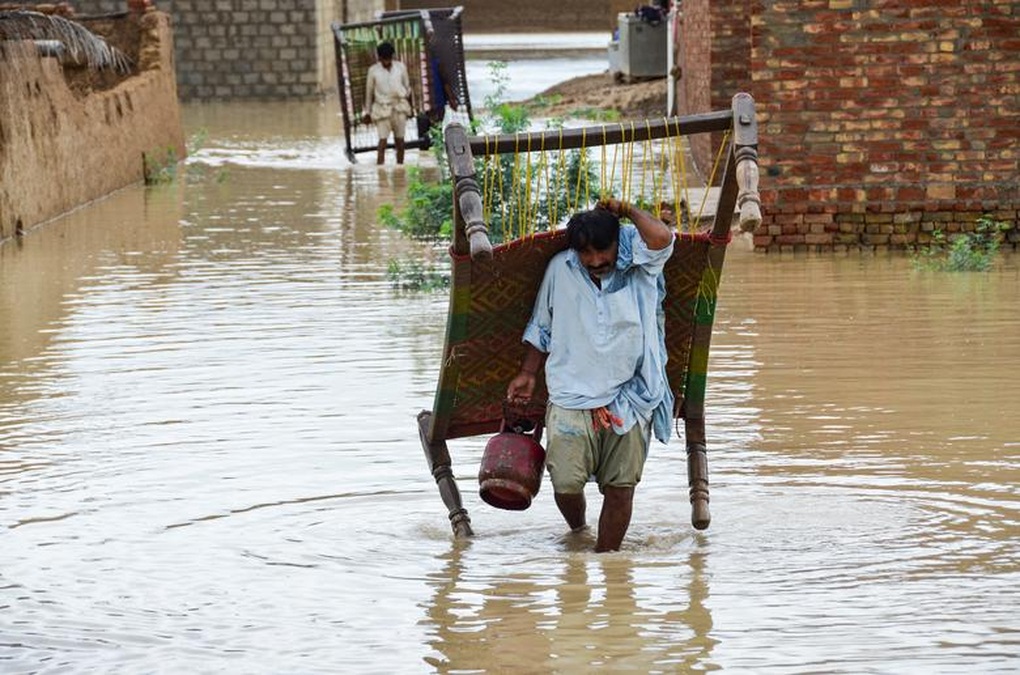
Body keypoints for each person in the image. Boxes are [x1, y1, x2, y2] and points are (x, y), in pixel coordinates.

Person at [506, 198, 675, 552]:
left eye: (603, 251)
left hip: (630, 396)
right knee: (565, 484)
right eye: (586, 253)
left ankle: (607, 559)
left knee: (620, 488)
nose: (596, 261)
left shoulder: (640, 265)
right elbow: (542, 326)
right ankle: (580, 530)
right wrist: (527, 373)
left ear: (619, 243)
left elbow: (661, 238)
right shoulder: (560, 269)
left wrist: (626, 210)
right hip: (571, 394)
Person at [363, 41, 413, 165]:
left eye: (389, 58)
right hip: (381, 109)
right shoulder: (373, 71)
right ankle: (381, 171)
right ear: (379, 58)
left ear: (392, 56)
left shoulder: (400, 67)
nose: (387, 62)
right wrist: (367, 113)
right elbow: (369, 93)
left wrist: (411, 106)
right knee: (382, 142)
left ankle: (400, 168)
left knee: (400, 142)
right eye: (384, 59)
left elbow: (408, 87)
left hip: (400, 107)